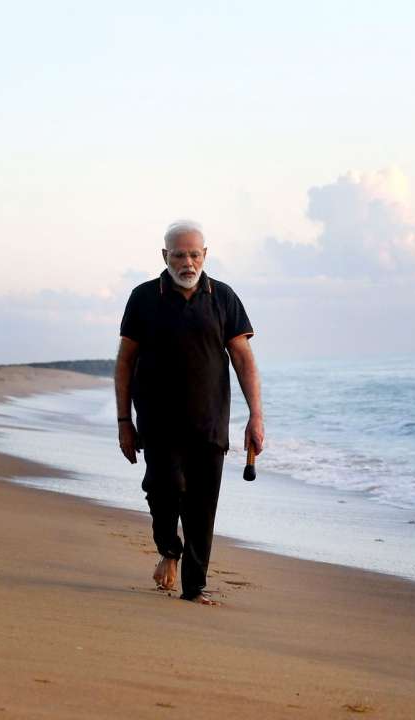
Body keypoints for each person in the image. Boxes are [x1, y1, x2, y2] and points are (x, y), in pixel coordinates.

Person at [114, 220, 264, 605]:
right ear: (165, 256)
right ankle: (169, 547)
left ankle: (194, 587)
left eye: (194, 254)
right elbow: (125, 361)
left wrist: (255, 417)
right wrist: (123, 422)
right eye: (179, 254)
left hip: (209, 422)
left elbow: (243, 359)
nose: (187, 262)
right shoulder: (143, 297)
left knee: (201, 506)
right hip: (157, 422)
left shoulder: (224, 298)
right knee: (163, 492)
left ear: (205, 255)